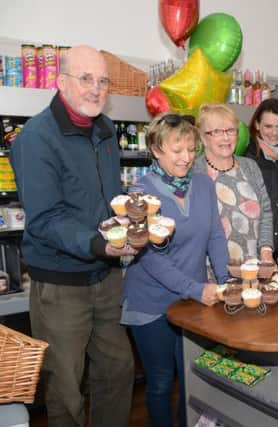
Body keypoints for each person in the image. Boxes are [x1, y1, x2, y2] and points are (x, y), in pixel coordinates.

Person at [10, 45, 136, 427]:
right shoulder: (36, 138)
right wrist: (99, 244)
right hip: (61, 285)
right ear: (61, 82)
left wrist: (131, 217)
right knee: (65, 389)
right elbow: (46, 219)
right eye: (86, 79)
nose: (96, 89)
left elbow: (105, 199)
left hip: (106, 275)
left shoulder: (106, 130)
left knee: (117, 371)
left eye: (103, 81)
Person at [121, 113, 229, 427]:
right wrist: (197, 289)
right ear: (155, 149)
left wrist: (226, 282)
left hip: (191, 303)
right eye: (176, 150)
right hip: (151, 302)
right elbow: (152, 259)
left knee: (193, 379)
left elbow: (215, 235)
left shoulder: (203, 183)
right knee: (160, 381)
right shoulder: (139, 195)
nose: (186, 158)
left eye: (191, 149)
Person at [194, 103, 274, 263]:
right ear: (203, 137)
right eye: (217, 131)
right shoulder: (193, 171)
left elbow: (266, 213)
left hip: (253, 269)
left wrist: (266, 252)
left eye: (231, 130)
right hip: (210, 275)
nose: (226, 137)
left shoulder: (250, 166)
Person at [246, 98, 278, 254]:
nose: (274, 132)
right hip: (257, 248)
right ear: (257, 125)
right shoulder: (247, 159)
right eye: (268, 126)